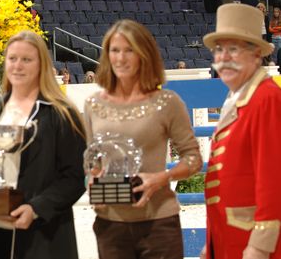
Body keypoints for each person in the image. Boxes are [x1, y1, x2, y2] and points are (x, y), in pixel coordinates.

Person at [84, 20, 202, 259]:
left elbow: (193, 159)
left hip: (158, 224)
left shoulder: (168, 102)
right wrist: (93, 179)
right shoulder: (93, 104)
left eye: (130, 50)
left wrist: (161, 178)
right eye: (115, 50)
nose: (121, 58)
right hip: (110, 224)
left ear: (144, 54)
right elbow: (93, 159)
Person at [0, 30, 86, 259]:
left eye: (26, 59)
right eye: (12, 59)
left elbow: (74, 176)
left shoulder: (61, 113)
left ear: (41, 65)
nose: (17, 66)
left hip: (42, 237)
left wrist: (36, 208)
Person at [201, 3, 281, 259]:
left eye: (233, 49)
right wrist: (212, 243)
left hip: (255, 246)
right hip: (230, 241)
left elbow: (275, 182)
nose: (223, 58)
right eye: (218, 50)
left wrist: (259, 246)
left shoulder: (268, 99)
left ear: (256, 54)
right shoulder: (237, 99)